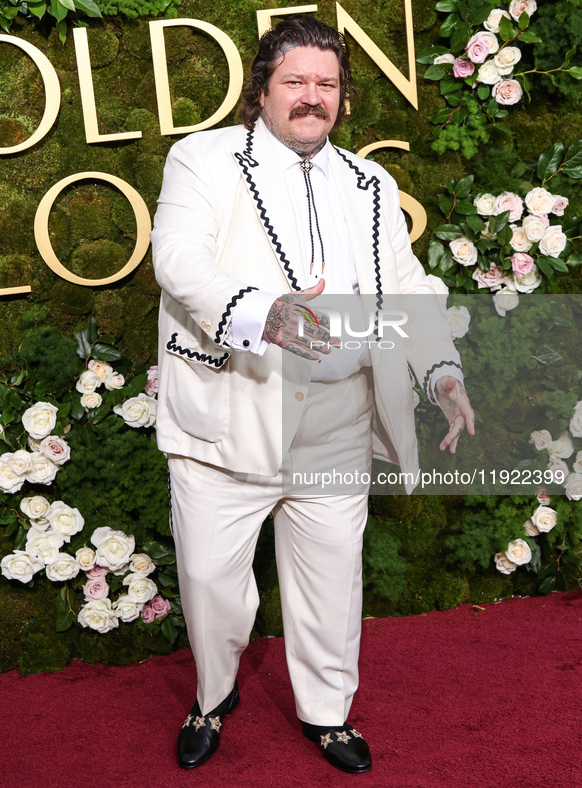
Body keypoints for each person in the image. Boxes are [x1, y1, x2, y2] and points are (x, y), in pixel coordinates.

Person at [150, 14, 474, 775]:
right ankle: (214, 695)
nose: (310, 97)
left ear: (344, 99)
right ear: (261, 88)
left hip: (338, 418)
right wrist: (265, 313)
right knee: (209, 584)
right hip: (234, 412)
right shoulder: (203, 160)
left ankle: (326, 714)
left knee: (331, 580)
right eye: (294, 81)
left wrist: (441, 371)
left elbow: (405, 286)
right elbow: (177, 258)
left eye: (325, 84)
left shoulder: (369, 182)